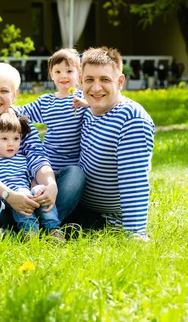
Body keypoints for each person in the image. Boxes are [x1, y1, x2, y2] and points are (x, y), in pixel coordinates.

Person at [0, 62, 85, 236]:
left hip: (25, 200)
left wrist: (51, 186)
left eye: (4, 91)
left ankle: (31, 230)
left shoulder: (22, 125)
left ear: (14, 95)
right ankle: (33, 228)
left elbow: (37, 158)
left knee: (74, 175)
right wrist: (10, 196)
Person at [68, 47, 155, 239]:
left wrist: (135, 234)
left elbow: (134, 181)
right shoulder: (90, 109)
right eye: (89, 80)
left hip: (101, 219)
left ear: (120, 81)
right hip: (77, 203)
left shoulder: (131, 119)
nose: (96, 88)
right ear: (81, 81)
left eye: (105, 80)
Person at [0, 113, 66, 241]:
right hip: (6, 201)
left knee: (39, 189)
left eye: (16, 139)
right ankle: (30, 233)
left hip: (27, 195)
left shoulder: (23, 160)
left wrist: (37, 188)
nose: (11, 144)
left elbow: (31, 178)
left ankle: (53, 229)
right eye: (4, 139)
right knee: (22, 192)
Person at [18, 48, 88, 172]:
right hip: (47, 164)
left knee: (75, 177)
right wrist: (6, 108)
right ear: (51, 75)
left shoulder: (83, 98)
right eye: (58, 72)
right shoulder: (45, 101)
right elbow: (21, 111)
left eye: (69, 71)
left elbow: (100, 109)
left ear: (79, 74)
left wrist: (87, 104)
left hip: (72, 167)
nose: (63, 76)